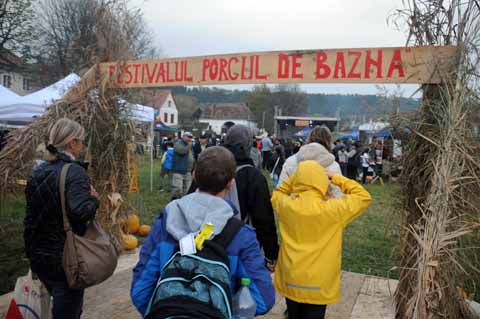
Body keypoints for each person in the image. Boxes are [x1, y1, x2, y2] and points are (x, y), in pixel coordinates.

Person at [131, 147, 275, 317]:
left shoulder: (165, 222)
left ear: (194, 175)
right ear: (231, 183)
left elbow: (140, 290)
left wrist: (164, 310)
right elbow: (263, 299)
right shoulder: (241, 235)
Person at [272, 161, 372, 319]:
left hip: (291, 276)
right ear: (322, 181)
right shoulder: (334, 209)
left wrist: (295, 178)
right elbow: (364, 197)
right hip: (319, 282)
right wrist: (336, 178)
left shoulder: (286, 206)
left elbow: (278, 193)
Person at [24, 118, 99, 319]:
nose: (82, 146)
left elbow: (30, 214)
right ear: (72, 143)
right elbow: (81, 212)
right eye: (81, 141)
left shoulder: (38, 171)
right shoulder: (75, 172)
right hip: (66, 257)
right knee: (67, 310)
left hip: (39, 253)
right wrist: (94, 200)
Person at [279, 125, 342, 193]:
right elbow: (337, 194)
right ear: (329, 142)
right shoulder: (333, 165)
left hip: (293, 201)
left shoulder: (290, 161)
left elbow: (281, 190)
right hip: (323, 202)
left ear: (309, 139)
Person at [171, 132, 194, 199]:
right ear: (183, 136)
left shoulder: (189, 145)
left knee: (187, 189)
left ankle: (183, 202)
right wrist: (189, 145)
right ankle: (174, 202)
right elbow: (182, 151)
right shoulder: (178, 144)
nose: (189, 139)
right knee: (177, 189)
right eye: (188, 137)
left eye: (190, 137)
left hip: (188, 170)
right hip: (178, 170)